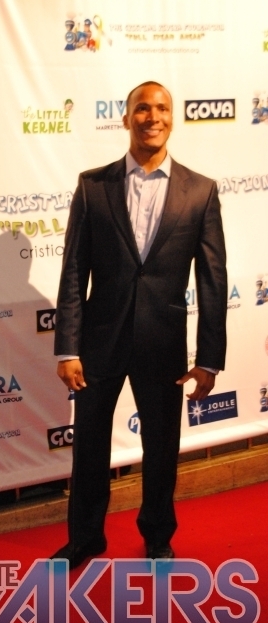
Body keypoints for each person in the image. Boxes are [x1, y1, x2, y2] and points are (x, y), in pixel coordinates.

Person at [52, 81, 227, 567]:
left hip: (163, 344)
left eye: (162, 108)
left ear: (173, 117)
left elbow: (213, 280)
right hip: (98, 343)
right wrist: (67, 347)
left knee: (162, 447)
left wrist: (209, 359)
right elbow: (73, 270)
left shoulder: (201, 191)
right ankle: (86, 537)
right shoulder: (93, 186)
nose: (153, 117)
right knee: (90, 446)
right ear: (126, 118)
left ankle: (157, 534)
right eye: (143, 109)